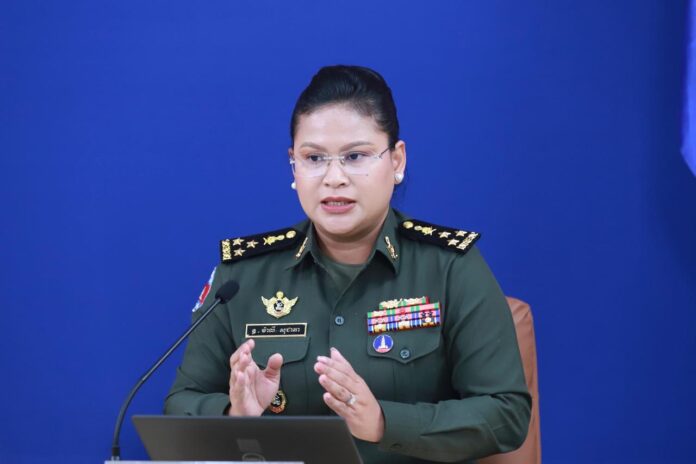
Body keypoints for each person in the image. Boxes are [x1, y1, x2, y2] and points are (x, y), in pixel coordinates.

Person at [164, 65, 531, 463]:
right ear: (293, 165)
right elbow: (182, 403)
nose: (334, 177)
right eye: (313, 158)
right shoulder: (243, 275)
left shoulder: (449, 267)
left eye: (355, 156)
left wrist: (384, 423)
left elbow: (506, 412)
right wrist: (235, 415)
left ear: (397, 161)